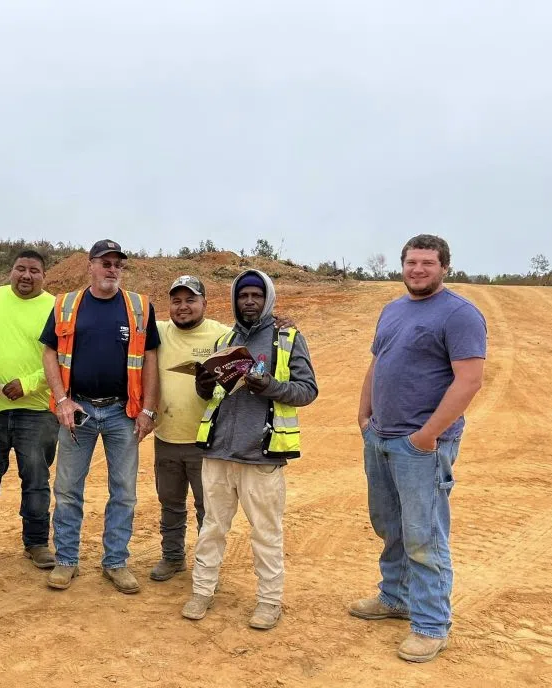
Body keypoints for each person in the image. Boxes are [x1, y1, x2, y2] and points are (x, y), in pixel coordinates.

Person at [351, 234, 485, 663]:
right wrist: (364, 415)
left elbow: (469, 380)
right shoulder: (392, 309)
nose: (418, 269)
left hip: (421, 447)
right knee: (389, 525)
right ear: (402, 265)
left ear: (444, 267)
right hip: (380, 436)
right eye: (412, 262)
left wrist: (427, 436)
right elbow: (377, 363)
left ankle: (431, 624)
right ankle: (395, 597)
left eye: (428, 262)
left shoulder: (460, 314)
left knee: (424, 535)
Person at [182, 269, 318, 629]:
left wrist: (269, 385)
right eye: (243, 296)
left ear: (267, 298)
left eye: (256, 295)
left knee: (266, 532)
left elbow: (307, 390)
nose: (249, 301)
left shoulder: (288, 338)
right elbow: (214, 395)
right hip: (218, 452)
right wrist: (203, 384)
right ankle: (202, 591)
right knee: (212, 527)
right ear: (235, 300)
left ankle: (269, 601)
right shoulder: (225, 340)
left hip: (261, 454)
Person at [41, 239, 161, 594]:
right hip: (77, 411)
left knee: (123, 491)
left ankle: (116, 562)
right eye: (105, 263)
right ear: (90, 266)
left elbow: (150, 358)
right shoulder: (66, 305)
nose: (112, 269)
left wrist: (148, 409)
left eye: (118, 264)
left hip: (122, 413)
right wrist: (62, 400)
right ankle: (66, 560)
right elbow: (49, 352)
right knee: (67, 489)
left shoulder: (139, 307)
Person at [0, 249, 58, 569]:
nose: (26, 275)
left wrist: (28, 383)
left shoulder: (55, 308)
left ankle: (36, 542)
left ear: (44, 275)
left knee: (36, 479)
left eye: (34, 270)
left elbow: (63, 358)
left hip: (38, 411)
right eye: (20, 268)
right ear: (11, 271)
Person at [149, 276, 230, 581]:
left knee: (207, 509)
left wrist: (281, 322)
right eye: (176, 301)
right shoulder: (158, 332)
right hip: (166, 437)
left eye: (190, 300)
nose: (182, 307)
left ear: (205, 303)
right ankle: (172, 558)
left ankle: (207, 569)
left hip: (206, 442)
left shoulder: (222, 335)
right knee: (170, 503)